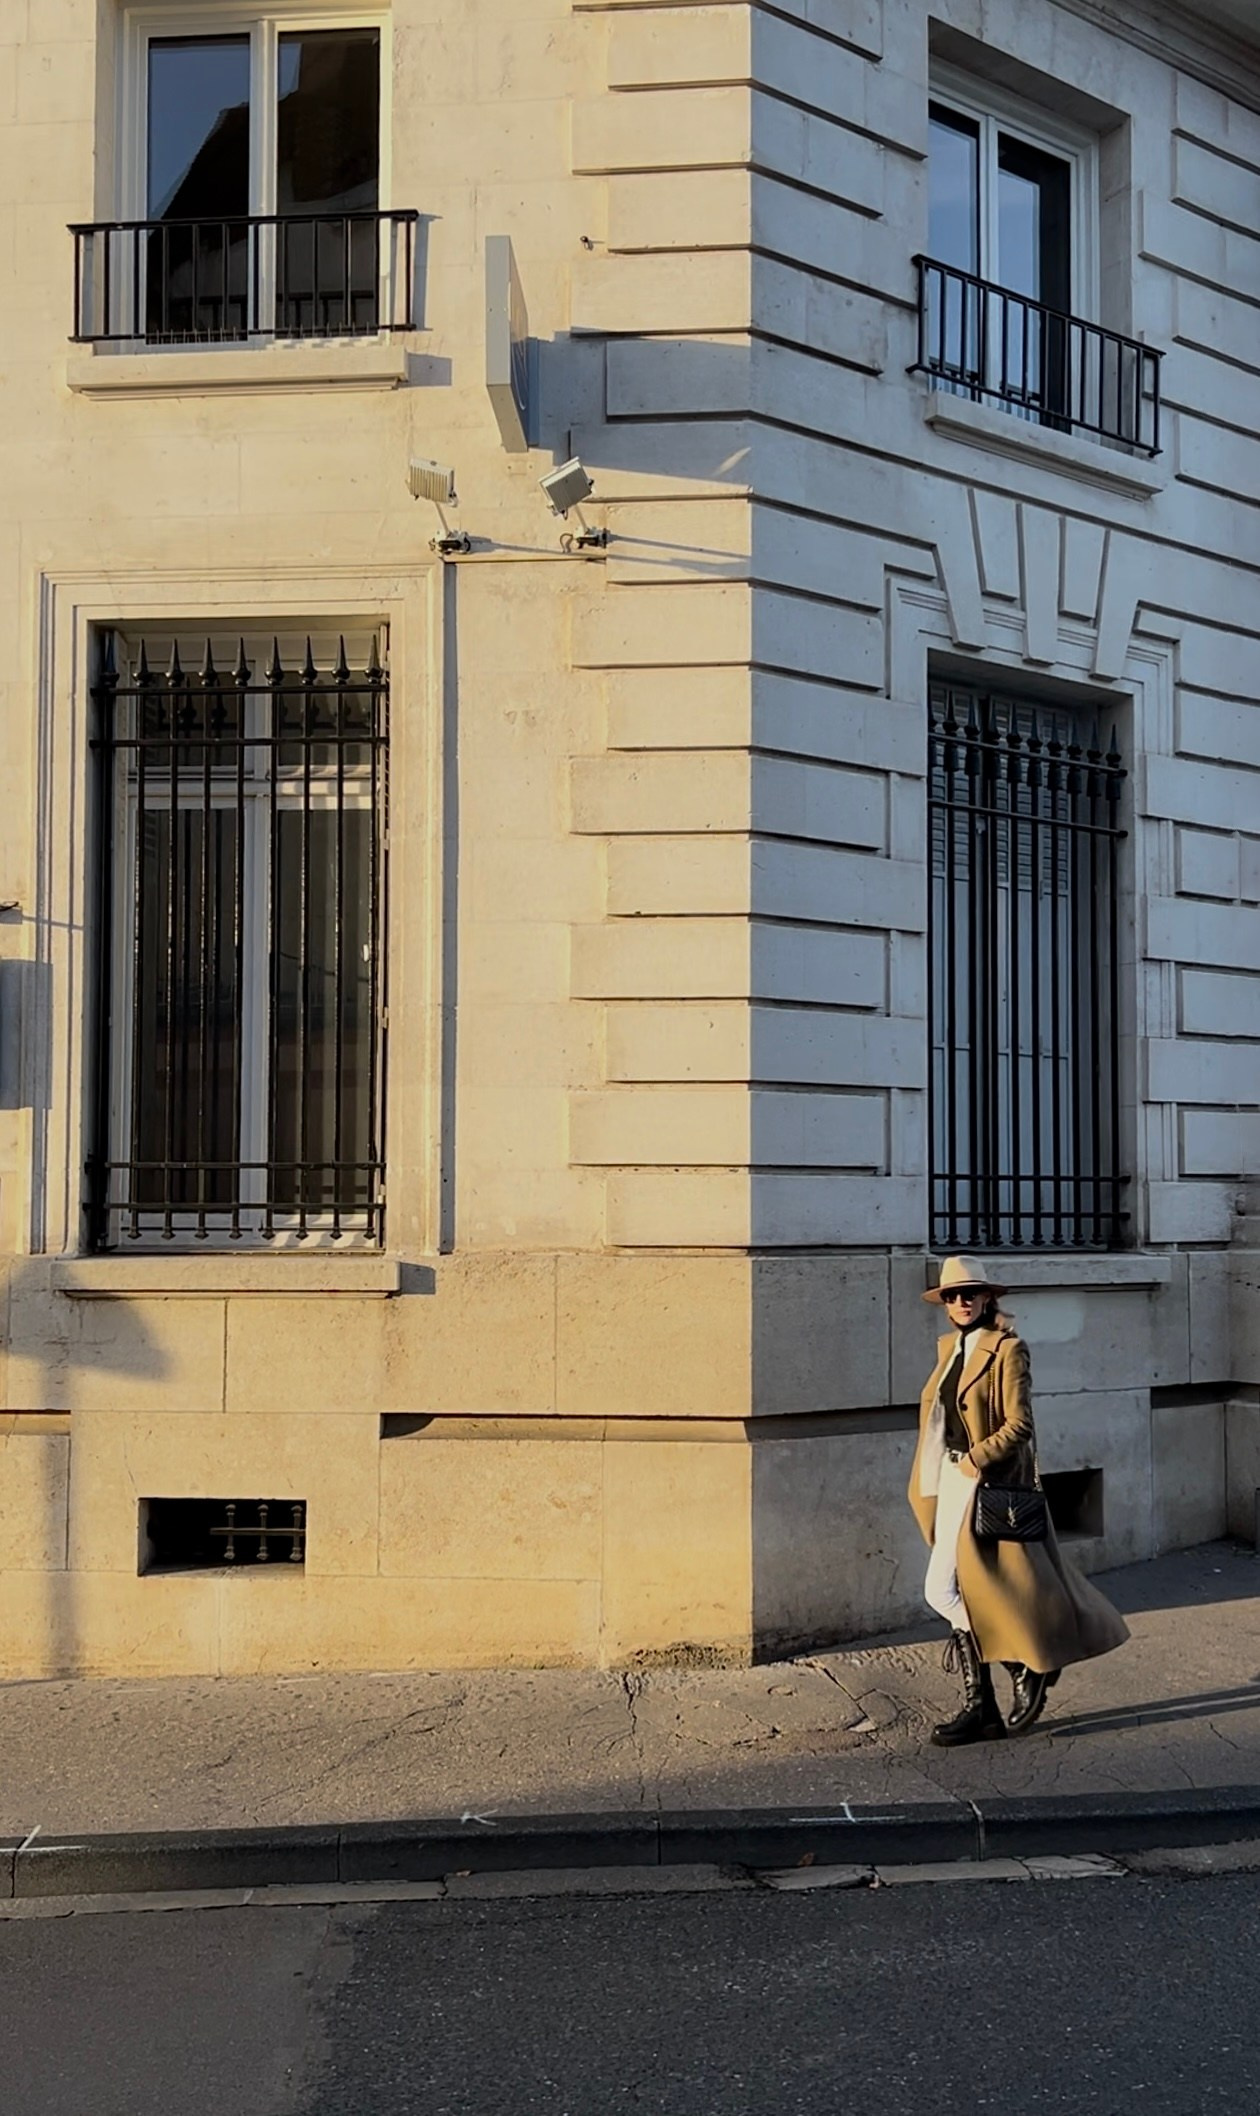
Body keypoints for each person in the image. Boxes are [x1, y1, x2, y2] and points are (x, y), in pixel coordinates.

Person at [907, 1255, 1129, 1746]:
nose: (962, 1302)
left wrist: (976, 1460)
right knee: (958, 1591)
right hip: (947, 1479)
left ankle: (1018, 1673)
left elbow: (1020, 1424)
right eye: (952, 1295)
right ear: (944, 1305)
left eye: (971, 1293)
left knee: (943, 1590)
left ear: (989, 1297)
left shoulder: (1007, 1350)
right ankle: (989, 1701)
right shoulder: (950, 1350)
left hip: (980, 1480)